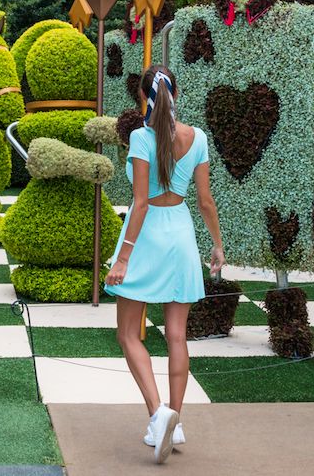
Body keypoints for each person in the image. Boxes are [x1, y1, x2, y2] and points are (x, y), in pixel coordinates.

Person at [103, 64, 225, 464]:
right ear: (176, 93)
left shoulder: (141, 137)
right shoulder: (198, 137)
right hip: (181, 235)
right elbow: (205, 201)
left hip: (145, 238)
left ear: (143, 95)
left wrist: (123, 259)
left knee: (128, 334)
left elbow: (140, 203)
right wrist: (218, 246)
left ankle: (158, 416)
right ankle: (177, 419)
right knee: (176, 335)